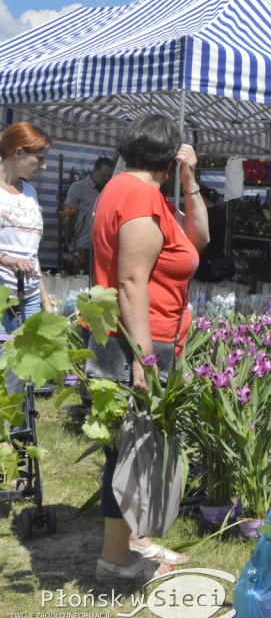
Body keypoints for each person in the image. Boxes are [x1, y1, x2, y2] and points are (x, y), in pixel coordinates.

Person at [90, 113, 209, 583]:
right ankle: (116, 560)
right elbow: (132, 280)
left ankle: (129, 545)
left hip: (134, 336)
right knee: (130, 450)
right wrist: (145, 358)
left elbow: (195, 240)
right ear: (168, 153)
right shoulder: (139, 195)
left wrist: (190, 182)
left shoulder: (130, 190)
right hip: (138, 339)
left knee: (131, 448)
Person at [0, 122, 55, 338]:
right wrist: (6, 259)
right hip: (1, 296)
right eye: (39, 159)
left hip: (29, 296)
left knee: (23, 368)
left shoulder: (29, 191)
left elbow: (31, 252)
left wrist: (45, 300)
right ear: (18, 153)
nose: (44, 166)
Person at [63, 156, 115, 261]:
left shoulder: (111, 189)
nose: (107, 179)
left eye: (109, 176)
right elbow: (67, 211)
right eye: (104, 175)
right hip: (84, 243)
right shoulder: (78, 187)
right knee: (82, 274)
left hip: (105, 245)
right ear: (95, 170)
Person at [195, 185, 233, 282]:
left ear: (202, 198)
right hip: (217, 258)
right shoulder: (220, 213)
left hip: (206, 260)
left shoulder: (206, 215)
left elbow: (203, 239)